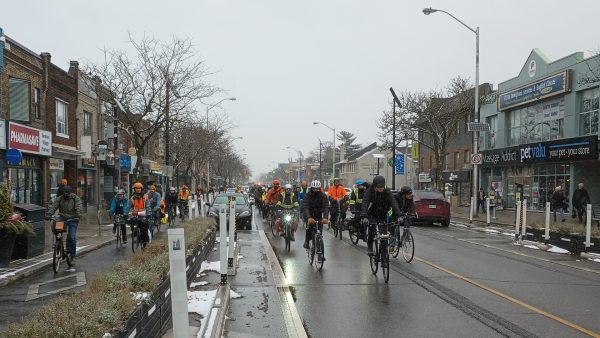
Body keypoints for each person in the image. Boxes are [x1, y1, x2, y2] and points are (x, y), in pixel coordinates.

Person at [361, 176, 401, 255]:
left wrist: (399, 215)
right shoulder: (370, 191)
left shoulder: (387, 191)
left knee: (384, 234)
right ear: (375, 186)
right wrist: (365, 216)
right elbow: (365, 203)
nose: (380, 189)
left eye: (382, 187)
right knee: (372, 229)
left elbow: (394, 203)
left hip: (383, 213)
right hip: (372, 213)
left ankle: (383, 253)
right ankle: (370, 246)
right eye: (378, 187)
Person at [46, 185, 83, 267]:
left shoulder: (75, 198)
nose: (66, 194)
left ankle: (72, 256)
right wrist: (48, 215)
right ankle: (58, 242)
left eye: (67, 193)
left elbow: (79, 207)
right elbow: (54, 207)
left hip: (73, 218)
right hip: (62, 217)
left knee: (72, 237)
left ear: (70, 193)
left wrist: (78, 215)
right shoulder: (60, 198)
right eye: (64, 193)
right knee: (55, 226)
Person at [302, 180, 330, 255]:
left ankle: (319, 248)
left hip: (318, 215)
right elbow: (305, 206)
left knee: (319, 231)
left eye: (317, 189)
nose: (316, 190)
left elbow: (326, 207)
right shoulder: (308, 195)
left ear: (319, 188)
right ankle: (307, 242)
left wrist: (325, 217)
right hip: (309, 215)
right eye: (314, 189)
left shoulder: (323, 196)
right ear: (312, 188)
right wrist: (308, 217)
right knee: (309, 228)